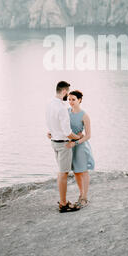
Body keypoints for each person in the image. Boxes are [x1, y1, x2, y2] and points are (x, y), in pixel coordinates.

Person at [46, 81, 83, 213]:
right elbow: (68, 132)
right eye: (67, 92)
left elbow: (49, 122)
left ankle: (63, 201)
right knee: (63, 173)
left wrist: (51, 132)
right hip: (63, 144)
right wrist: (78, 137)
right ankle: (63, 203)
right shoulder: (61, 108)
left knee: (61, 172)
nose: (68, 95)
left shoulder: (50, 103)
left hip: (54, 142)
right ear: (63, 92)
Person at [67, 90, 95, 207]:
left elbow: (88, 135)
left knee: (83, 171)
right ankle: (80, 194)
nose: (71, 102)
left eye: (73, 99)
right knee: (76, 172)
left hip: (80, 146)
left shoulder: (84, 115)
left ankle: (84, 197)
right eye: (69, 99)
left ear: (79, 100)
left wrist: (77, 142)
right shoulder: (67, 112)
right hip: (70, 145)